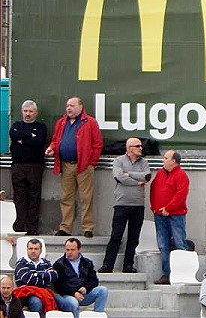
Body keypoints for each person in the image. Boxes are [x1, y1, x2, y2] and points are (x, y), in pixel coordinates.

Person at [45, 97, 103, 238]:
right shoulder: (61, 122)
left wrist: (91, 163)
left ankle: (87, 227)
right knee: (66, 197)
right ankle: (65, 227)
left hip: (83, 165)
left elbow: (97, 143)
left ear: (80, 107)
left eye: (72, 105)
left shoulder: (90, 122)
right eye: (67, 106)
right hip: (66, 165)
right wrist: (52, 148)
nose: (68, 108)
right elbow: (55, 140)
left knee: (86, 197)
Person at [98, 137, 151, 274]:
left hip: (138, 205)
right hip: (122, 204)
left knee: (133, 238)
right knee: (116, 236)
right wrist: (136, 182)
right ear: (129, 148)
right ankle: (108, 265)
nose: (141, 148)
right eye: (137, 146)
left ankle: (128, 265)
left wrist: (130, 174)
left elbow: (146, 176)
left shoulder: (144, 162)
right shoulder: (119, 161)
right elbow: (119, 177)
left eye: (140, 146)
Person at [150, 149, 190, 285]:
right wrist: (154, 208)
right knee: (163, 245)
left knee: (180, 243)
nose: (163, 160)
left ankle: (183, 274)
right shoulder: (160, 174)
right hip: (159, 215)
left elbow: (181, 194)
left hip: (176, 215)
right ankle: (167, 274)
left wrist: (168, 208)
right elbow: (153, 189)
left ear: (173, 161)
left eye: (166, 158)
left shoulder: (181, 175)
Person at [9, 100, 48, 235]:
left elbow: (39, 141)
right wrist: (29, 136)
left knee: (34, 198)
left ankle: (32, 229)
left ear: (35, 113)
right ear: (22, 112)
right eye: (25, 111)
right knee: (19, 197)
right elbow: (14, 136)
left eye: (30, 111)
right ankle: (19, 227)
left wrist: (23, 140)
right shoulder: (16, 125)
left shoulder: (41, 127)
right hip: (18, 166)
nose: (28, 114)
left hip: (35, 166)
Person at [52, 238, 108, 318]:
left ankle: (98, 314)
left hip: (83, 294)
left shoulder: (87, 263)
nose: (69, 252)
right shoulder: (59, 264)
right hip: (66, 295)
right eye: (67, 250)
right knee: (73, 303)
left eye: (72, 250)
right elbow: (59, 285)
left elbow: (94, 280)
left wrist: (86, 288)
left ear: (79, 250)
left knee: (103, 290)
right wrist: (73, 293)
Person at [14, 238, 58, 314]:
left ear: (40, 250)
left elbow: (54, 276)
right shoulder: (21, 263)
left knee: (70, 303)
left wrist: (36, 274)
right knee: (37, 302)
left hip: (46, 292)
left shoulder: (45, 262)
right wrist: (45, 277)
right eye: (30, 249)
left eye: (36, 249)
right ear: (27, 250)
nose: (33, 251)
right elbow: (29, 279)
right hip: (27, 294)